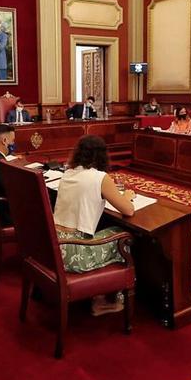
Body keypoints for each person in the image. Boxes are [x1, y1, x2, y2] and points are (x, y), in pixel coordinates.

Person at [52, 135, 135, 315]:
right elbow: (128, 210)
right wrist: (127, 197)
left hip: (55, 246)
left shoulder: (68, 173)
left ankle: (99, 295)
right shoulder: (100, 177)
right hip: (75, 252)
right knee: (123, 235)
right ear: (102, 156)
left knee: (103, 227)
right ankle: (106, 300)